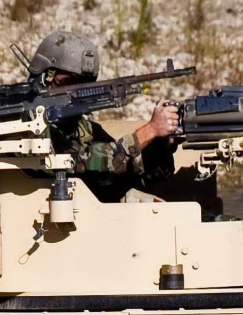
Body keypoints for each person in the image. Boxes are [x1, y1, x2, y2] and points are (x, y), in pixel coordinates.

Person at [28, 30, 180, 195]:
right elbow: (76, 161)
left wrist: (159, 145)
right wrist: (149, 131)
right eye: (67, 82)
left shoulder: (82, 129)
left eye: (84, 84)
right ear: (44, 78)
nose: (75, 92)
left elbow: (120, 172)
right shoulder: (19, 124)